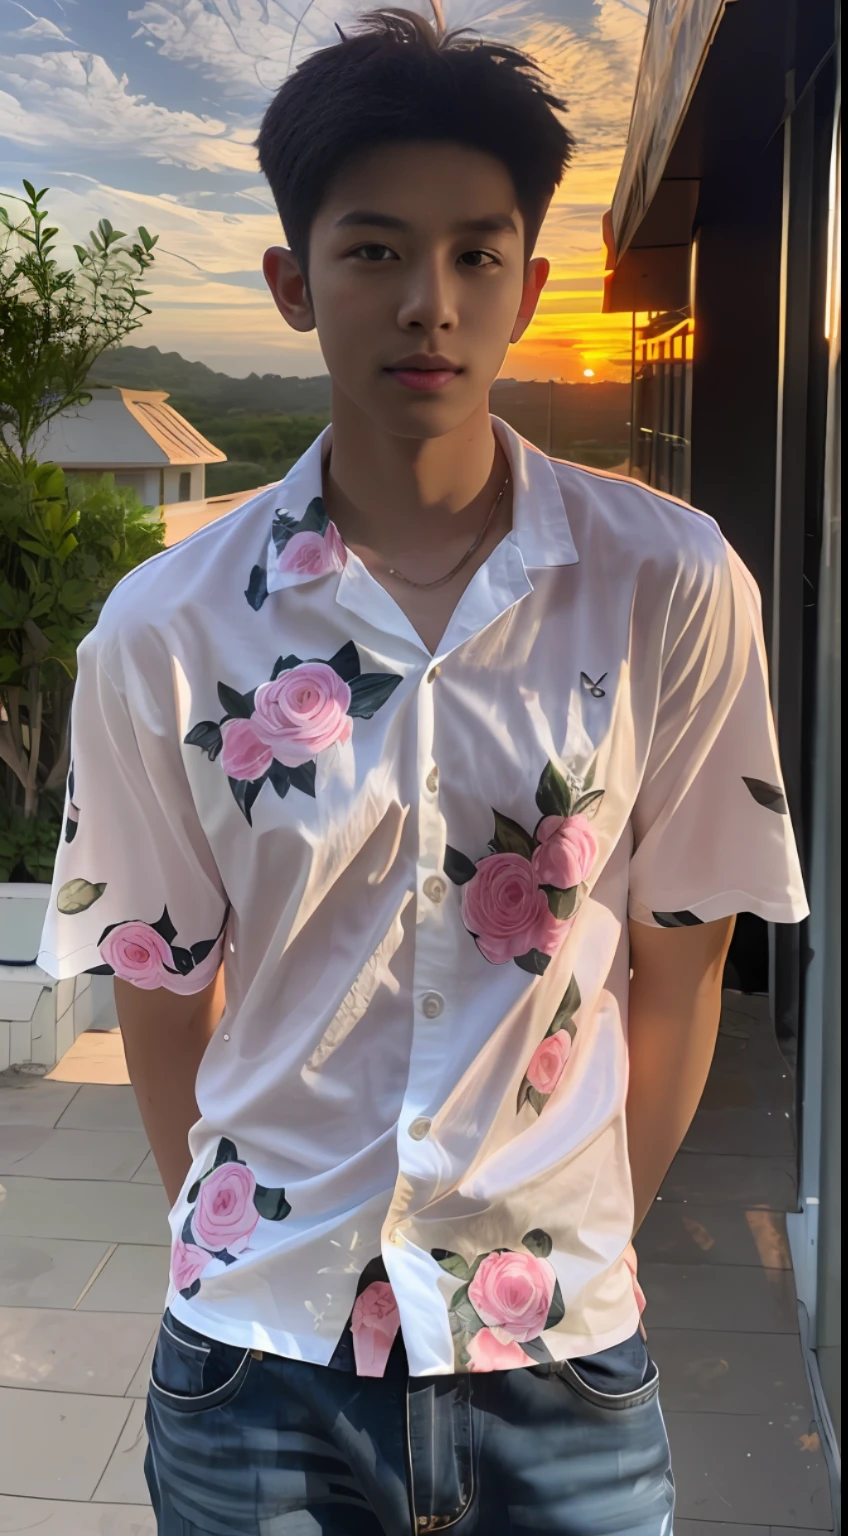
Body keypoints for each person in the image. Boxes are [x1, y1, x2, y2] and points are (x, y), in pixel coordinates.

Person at [39, 9, 808, 1533]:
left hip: (565, 1369)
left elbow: (682, 957)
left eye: (473, 255)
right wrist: (245, 1239)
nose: (428, 306)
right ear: (292, 281)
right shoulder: (164, 631)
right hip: (258, 1372)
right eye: (375, 251)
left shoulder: (670, 582)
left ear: (529, 285)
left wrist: (585, 1233)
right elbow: (158, 982)